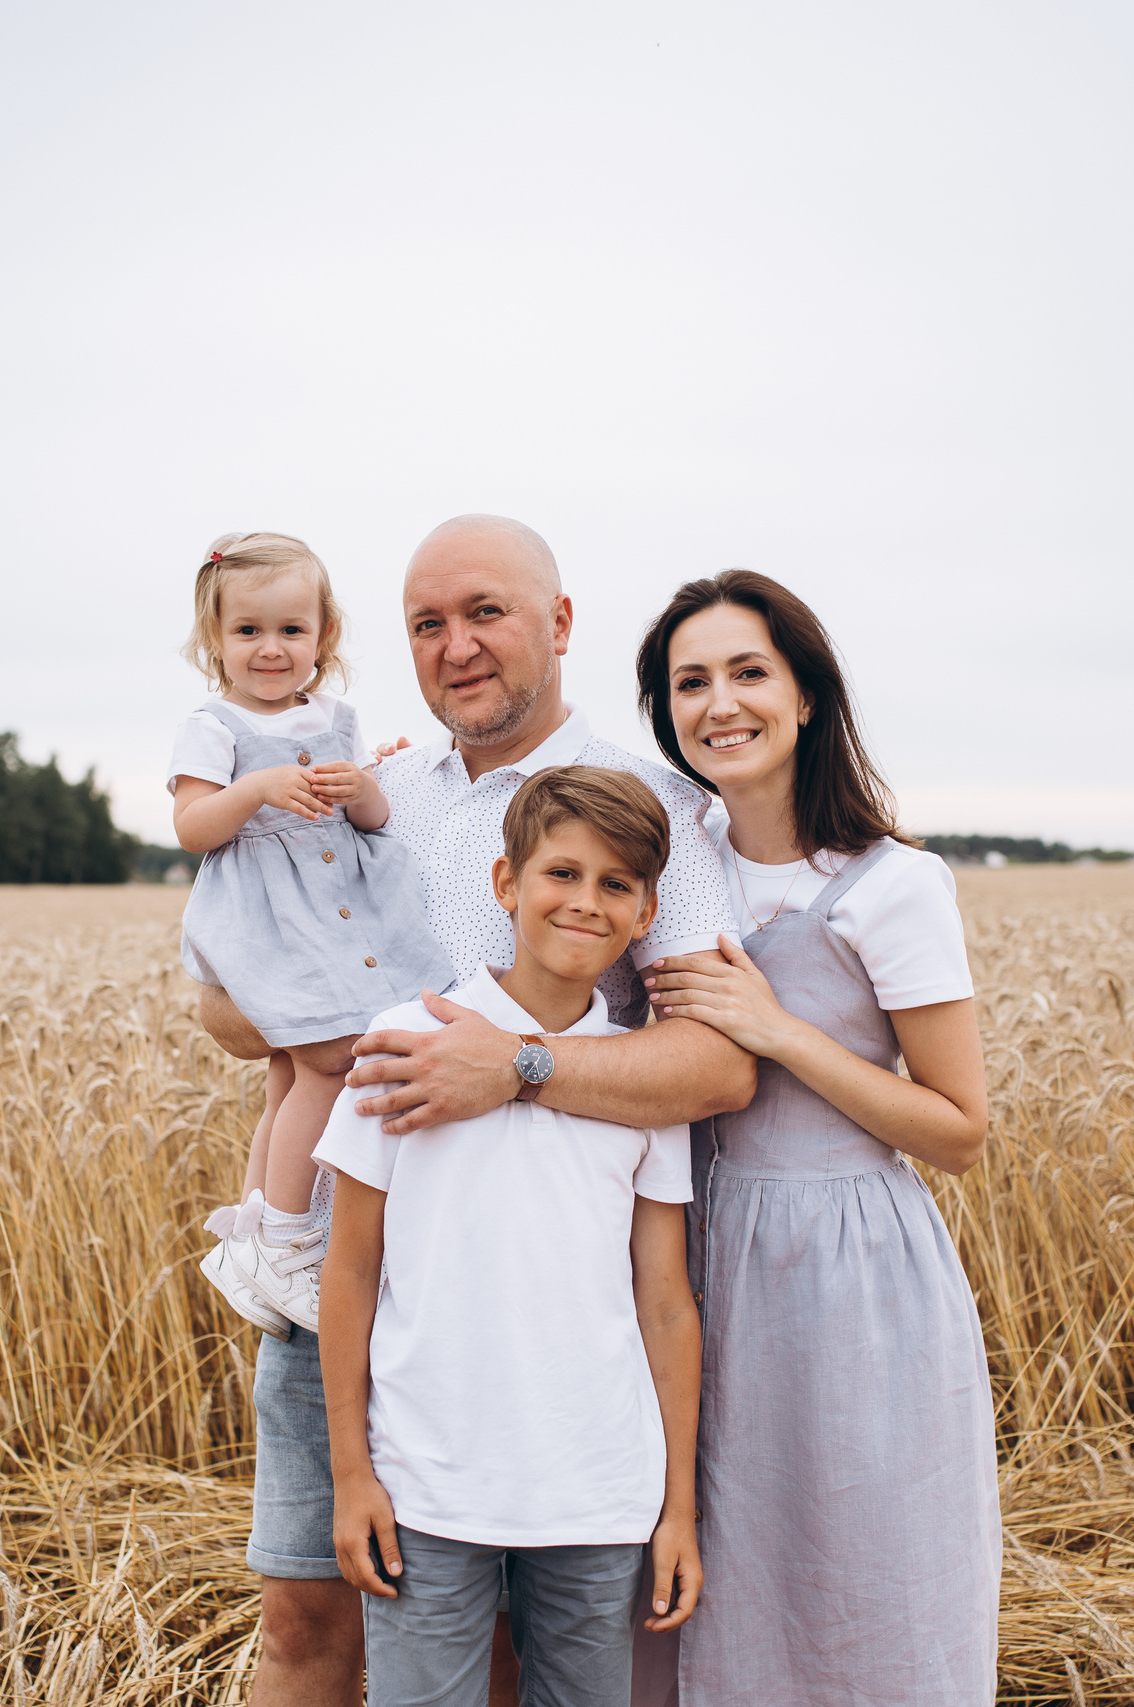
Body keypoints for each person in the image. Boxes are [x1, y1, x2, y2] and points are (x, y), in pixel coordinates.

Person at [194, 515, 755, 1707]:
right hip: (347, 1264)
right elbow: (228, 999)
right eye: (426, 624)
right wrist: (286, 1018)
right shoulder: (368, 791)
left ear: (557, 624)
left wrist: (519, 1068)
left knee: (492, 1648)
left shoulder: (649, 809)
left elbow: (715, 1069)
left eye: (486, 613)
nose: (456, 647)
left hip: (521, 1310)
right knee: (302, 1614)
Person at [635, 571, 1002, 1705]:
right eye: (689, 682)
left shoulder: (893, 885)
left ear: (806, 697)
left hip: (843, 1271)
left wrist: (777, 1035)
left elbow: (957, 1130)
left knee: (853, 1573)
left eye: (749, 672)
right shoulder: (659, 867)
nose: (719, 704)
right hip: (681, 1258)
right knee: (682, 1578)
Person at [318, 766, 704, 1707]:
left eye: (616, 884)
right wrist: (351, 1472)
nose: (585, 901)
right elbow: (352, 1267)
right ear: (506, 885)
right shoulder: (406, 1040)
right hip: (425, 1485)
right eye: (561, 874)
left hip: (598, 1487)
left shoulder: (644, 1078)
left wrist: (678, 1507)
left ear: (647, 908)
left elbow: (663, 1297)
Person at [172, 531, 458, 1339]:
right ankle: (293, 1233)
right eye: (248, 631)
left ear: (323, 637)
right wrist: (257, 786)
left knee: (294, 1071)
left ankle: (257, 1236)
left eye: (292, 630)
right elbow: (193, 826)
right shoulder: (213, 723)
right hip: (270, 913)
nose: (271, 649)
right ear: (215, 641)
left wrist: (361, 784)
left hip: (337, 904)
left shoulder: (336, 716)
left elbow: (371, 816)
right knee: (330, 1060)